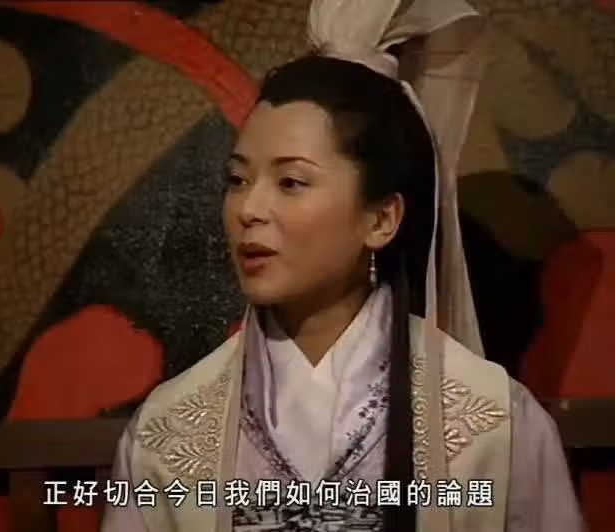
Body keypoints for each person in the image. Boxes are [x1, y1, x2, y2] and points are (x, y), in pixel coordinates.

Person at [101, 0, 584, 530]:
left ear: (381, 219)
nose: (248, 209)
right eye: (238, 180)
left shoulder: (494, 426)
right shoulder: (169, 432)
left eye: (291, 182)